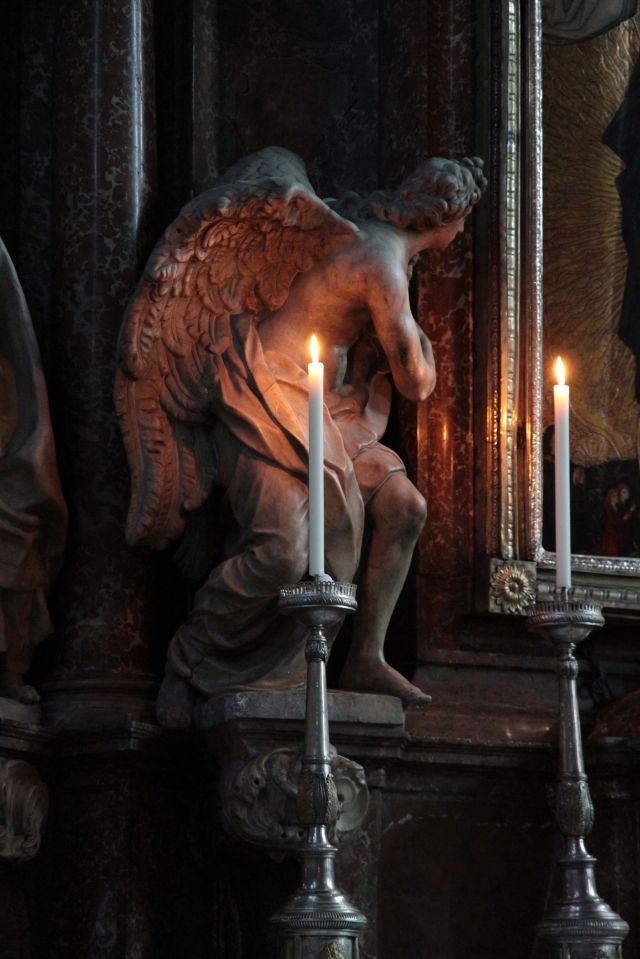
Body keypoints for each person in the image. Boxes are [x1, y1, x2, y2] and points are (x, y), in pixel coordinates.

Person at [115, 147, 486, 725]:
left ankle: (365, 657)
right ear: (447, 219)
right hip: (265, 394)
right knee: (284, 556)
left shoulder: (372, 242)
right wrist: (424, 347)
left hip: (327, 412)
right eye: (462, 223)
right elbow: (415, 380)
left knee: (404, 506)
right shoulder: (381, 262)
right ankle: (192, 656)